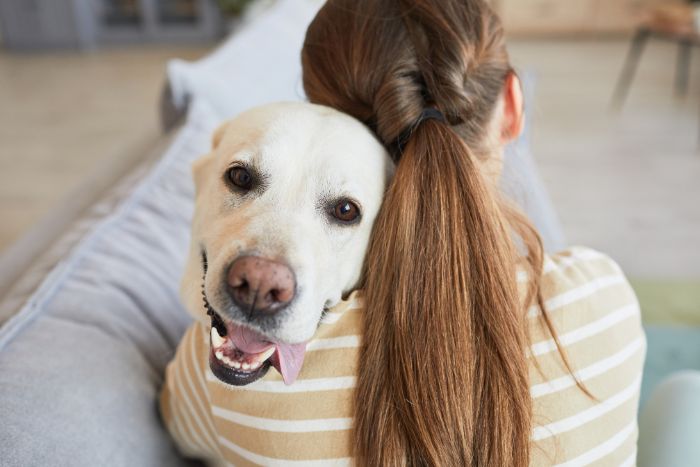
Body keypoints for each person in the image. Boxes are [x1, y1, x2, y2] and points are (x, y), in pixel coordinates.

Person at [161, 1, 645, 465]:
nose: (260, 281)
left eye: (345, 210)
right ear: (514, 106)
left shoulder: (217, 379)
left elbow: (179, 430)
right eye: (243, 180)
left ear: (326, 106)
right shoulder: (606, 296)